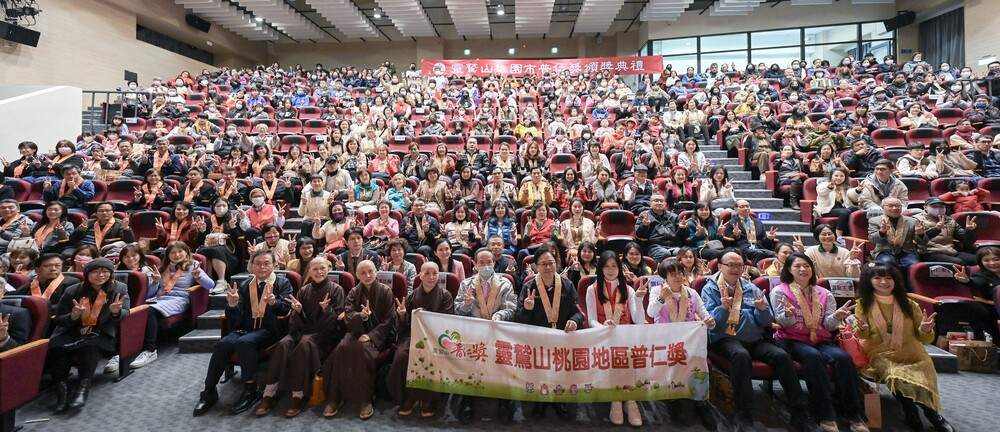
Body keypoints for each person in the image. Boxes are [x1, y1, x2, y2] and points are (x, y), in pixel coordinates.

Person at [702, 250, 821, 432]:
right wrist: (723, 308)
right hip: (725, 338)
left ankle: (800, 412)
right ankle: (744, 413)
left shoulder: (752, 288)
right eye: (730, 265)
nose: (735, 268)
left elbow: (766, 321)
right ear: (720, 266)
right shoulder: (709, 289)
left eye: (739, 265)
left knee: (781, 356)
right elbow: (710, 323)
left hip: (755, 338)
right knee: (741, 356)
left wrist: (762, 310)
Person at [771, 253, 869, 432]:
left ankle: (852, 414)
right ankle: (825, 414)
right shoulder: (780, 291)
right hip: (790, 338)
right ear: (789, 270)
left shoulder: (824, 293)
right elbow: (781, 323)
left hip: (820, 339)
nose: (803, 269)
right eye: (797, 266)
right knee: (813, 357)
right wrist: (789, 314)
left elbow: (829, 325)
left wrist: (836, 317)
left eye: (807, 266)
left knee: (844, 359)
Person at [193, 250, 293, 416]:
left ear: (274, 265)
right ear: (251, 266)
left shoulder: (282, 283)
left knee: (244, 342)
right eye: (258, 263)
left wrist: (274, 303)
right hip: (245, 328)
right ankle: (209, 391)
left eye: (266, 263)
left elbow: (286, 309)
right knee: (223, 344)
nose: (262, 267)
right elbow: (234, 315)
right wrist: (232, 304)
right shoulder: (246, 285)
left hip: (269, 329)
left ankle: (251, 389)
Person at [855, 263, 953, 432]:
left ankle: (932, 413)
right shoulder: (863, 304)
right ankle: (910, 409)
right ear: (869, 281)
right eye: (877, 278)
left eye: (888, 278)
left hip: (912, 351)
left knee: (924, 374)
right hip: (881, 353)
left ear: (895, 281)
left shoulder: (909, 304)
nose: (883, 282)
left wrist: (926, 329)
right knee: (897, 375)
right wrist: (862, 329)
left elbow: (924, 338)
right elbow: (862, 335)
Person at [254, 258, 345, 418]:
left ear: (328, 270)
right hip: (301, 329)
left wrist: (327, 310)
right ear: (309, 271)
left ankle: (298, 394)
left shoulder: (336, 289)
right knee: (283, 344)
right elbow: (295, 319)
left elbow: (336, 321)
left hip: (322, 334)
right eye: (314, 269)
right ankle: (269, 392)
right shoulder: (304, 290)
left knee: (304, 344)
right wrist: (299, 310)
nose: (318, 272)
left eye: (322, 268)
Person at [47, 258, 129, 412]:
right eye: (96, 271)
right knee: (56, 349)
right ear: (87, 274)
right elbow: (59, 319)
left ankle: (82, 389)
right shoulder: (72, 291)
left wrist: (116, 312)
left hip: (100, 332)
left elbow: (126, 312)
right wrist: (73, 316)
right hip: (72, 330)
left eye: (105, 271)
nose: (101, 275)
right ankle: (62, 392)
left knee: (89, 348)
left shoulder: (119, 288)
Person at [321, 260, 396, 420]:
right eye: (363, 273)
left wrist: (371, 336)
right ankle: (335, 397)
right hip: (356, 331)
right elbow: (348, 314)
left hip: (378, 335)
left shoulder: (386, 291)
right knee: (341, 349)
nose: (367, 275)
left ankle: (365, 400)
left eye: (370, 271)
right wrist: (361, 316)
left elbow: (389, 319)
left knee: (362, 351)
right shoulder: (353, 292)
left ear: (376, 272)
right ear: (357, 275)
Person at [647, 259, 716, 429]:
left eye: (680, 273)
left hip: (688, 340)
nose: (678, 276)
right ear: (665, 277)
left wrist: (710, 321)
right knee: (672, 359)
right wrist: (661, 298)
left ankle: (700, 401)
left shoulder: (692, 293)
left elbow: (704, 314)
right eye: (673, 274)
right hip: (664, 341)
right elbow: (651, 313)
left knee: (697, 360)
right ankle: (673, 400)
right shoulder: (657, 290)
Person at [515, 247, 583, 420]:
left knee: (560, 370)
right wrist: (527, 309)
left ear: (557, 264)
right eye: (543, 264)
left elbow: (578, 312)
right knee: (540, 370)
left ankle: (559, 400)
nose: (547, 267)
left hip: (562, 337)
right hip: (537, 340)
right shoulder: (529, 286)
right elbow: (519, 320)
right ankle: (540, 399)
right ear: (536, 266)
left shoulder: (567, 285)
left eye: (551, 263)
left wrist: (575, 321)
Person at [453, 248, 518, 422]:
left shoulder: (505, 283)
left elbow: (511, 308)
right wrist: (466, 305)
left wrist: (499, 315)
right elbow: (457, 310)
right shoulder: (466, 284)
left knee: (504, 357)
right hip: (473, 333)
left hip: (498, 332)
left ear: (494, 263)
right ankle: (467, 398)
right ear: (475, 265)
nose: (486, 265)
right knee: (466, 357)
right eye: (481, 262)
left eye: (489, 262)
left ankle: (505, 399)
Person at [585, 251, 647, 427]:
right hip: (602, 336)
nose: (610, 270)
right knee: (615, 353)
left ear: (620, 268)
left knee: (627, 352)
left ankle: (630, 400)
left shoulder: (629, 289)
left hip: (625, 336)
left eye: (614, 266)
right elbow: (591, 320)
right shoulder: (592, 289)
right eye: (606, 266)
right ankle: (618, 399)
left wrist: (639, 300)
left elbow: (638, 320)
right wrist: (604, 327)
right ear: (600, 268)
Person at [388, 262, 455, 418]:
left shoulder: (445, 296)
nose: (431, 277)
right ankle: (410, 396)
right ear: (420, 275)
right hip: (413, 333)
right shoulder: (412, 296)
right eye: (427, 273)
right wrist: (402, 315)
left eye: (434, 273)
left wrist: (426, 315)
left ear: (439, 275)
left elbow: (447, 323)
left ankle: (427, 398)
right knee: (402, 355)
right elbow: (403, 324)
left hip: (436, 337)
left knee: (432, 354)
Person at [136, 242, 215, 371]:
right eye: (173, 252)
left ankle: (150, 350)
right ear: (168, 255)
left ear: (186, 253)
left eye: (180, 252)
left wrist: (199, 277)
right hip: (160, 298)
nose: (176, 255)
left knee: (149, 311)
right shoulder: (163, 267)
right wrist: (155, 282)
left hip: (179, 299)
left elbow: (210, 285)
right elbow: (150, 294)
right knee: (139, 310)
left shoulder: (193, 265)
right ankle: (131, 349)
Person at [914, 197, 978, 265]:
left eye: (941, 207)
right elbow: (919, 240)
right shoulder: (917, 220)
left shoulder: (950, 220)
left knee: (978, 260)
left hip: (950, 251)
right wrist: (936, 229)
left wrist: (969, 231)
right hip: (929, 253)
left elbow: (966, 240)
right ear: (925, 207)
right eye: (934, 206)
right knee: (959, 263)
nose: (938, 209)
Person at [868, 197, 925, 269]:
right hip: (885, 251)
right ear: (882, 207)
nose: (895, 208)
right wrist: (882, 232)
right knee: (888, 262)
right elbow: (873, 239)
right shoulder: (874, 221)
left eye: (898, 206)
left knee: (913, 264)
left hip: (907, 251)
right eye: (890, 206)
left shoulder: (912, 221)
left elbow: (923, 242)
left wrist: (920, 234)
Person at [67, 201, 134, 257]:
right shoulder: (89, 222)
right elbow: (72, 239)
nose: (104, 213)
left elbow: (129, 241)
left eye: (107, 210)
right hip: (80, 247)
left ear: (113, 212)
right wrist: (80, 230)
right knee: (66, 254)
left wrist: (126, 228)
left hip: (99, 250)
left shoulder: (120, 224)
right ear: (96, 213)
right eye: (101, 211)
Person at [15, 253, 80, 309]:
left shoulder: (71, 283)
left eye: (57, 265)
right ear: (36, 269)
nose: (53, 269)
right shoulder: (27, 287)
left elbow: (68, 306)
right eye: (48, 266)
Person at [635, 194, 689, 262]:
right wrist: (644, 226)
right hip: (655, 246)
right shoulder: (645, 216)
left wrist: (683, 228)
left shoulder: (674, 217)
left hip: (674, 246)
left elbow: (686, 235)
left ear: (665, 204)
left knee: (682, 253)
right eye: (656, 200)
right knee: (665, 253)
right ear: (650, 204)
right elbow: (639, 235)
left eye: (661, 201)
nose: (659, 203)